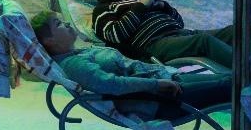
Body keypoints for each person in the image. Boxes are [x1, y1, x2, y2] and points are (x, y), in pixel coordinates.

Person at [32, 11, 231, 122]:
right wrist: (157, 85)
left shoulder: (79, 53)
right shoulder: (73, 64)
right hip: (161, 99)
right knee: (231, 85)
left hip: (166, 83)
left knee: (231, 81)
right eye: (58, 24)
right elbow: (110, 84)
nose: (67, 23)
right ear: (49, 41)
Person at [86, 0, 234, 67]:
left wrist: (163, 6)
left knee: (234, 31)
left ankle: (245, 71)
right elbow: (116, 35)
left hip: (181, 34)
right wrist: (142, 5)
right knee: (203, 40)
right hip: (154, 44)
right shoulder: (102, 10)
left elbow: (179, 23)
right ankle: (245, 76)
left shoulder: (136, 2)